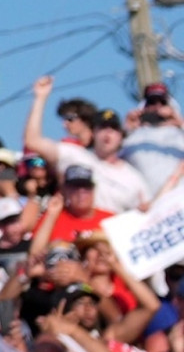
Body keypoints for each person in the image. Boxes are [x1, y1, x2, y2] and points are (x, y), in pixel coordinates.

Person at [31, 79, 153, 213]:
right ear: (93, 133)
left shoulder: (134, 177)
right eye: (102, 128)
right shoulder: (75, 155)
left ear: (121, 135)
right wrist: (40, 98)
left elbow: (151, 212)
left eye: (113, 128)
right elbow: (33, 141)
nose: (107, 133)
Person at [37, 169, 117, 263]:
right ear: (65, 191)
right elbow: (35, 254)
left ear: (93, 190)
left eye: (86, 187)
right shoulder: (52, 217)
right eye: (75, 187)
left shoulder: (111, 219)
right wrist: (52, 214)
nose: (81, 192)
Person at [127, 85, 184, 196]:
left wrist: (178, 121)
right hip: (148, 205)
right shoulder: (134, 137)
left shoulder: (180, 134)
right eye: (152, 103)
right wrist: (128, 129)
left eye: (162, 103)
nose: (158, 107)